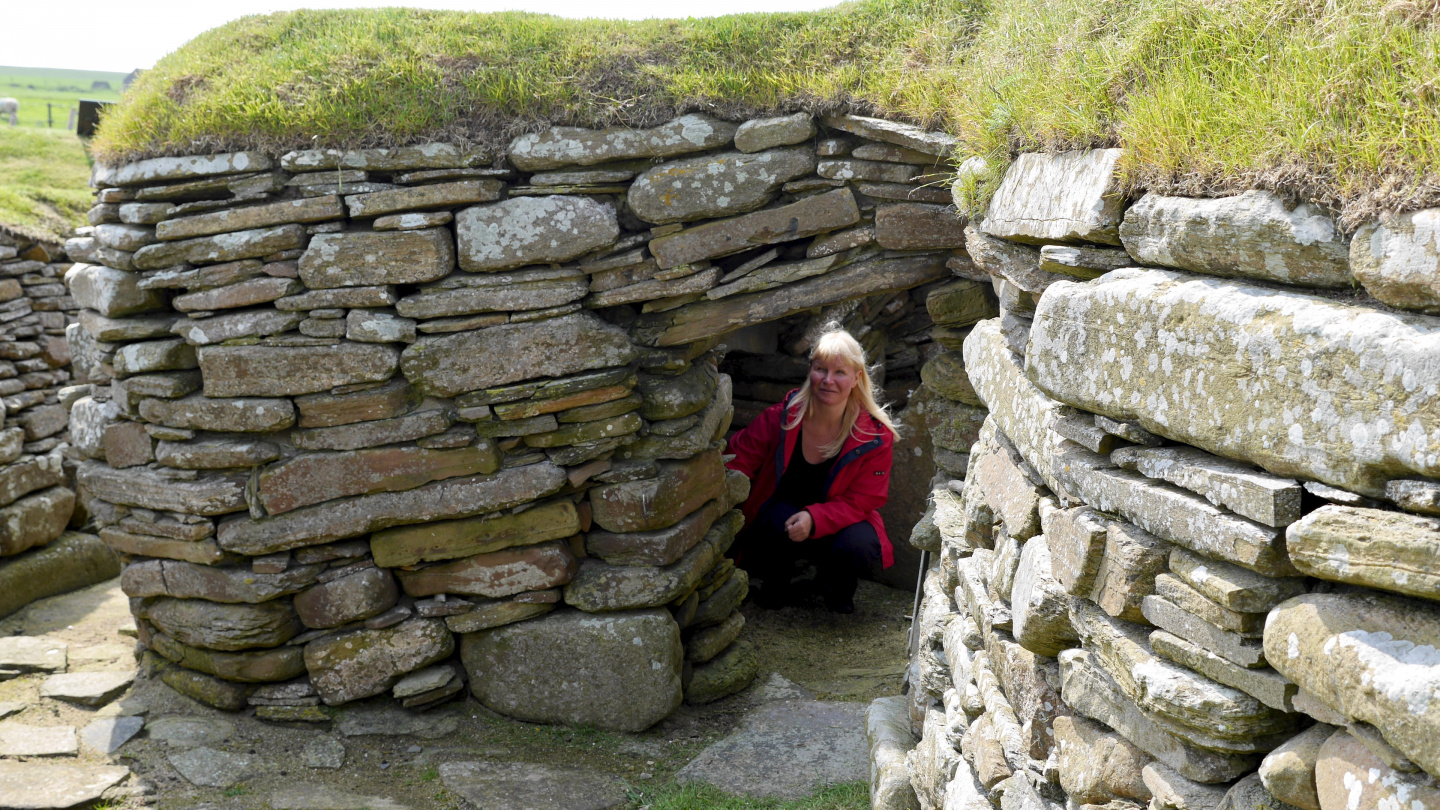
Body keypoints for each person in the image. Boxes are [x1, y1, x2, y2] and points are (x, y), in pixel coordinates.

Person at [725, 326, 899, 613]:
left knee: (860, 543)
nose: (828, 380)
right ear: (810, 371)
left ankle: (835, 590)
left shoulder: (875, 437)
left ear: (857, 378)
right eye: (820, 369)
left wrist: (815, 518)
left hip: (837, 524)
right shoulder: (779, 419)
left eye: (840, 372)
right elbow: (736, 461)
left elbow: (865, 500)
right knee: (776, 515)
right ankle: (775, 584)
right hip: (780, 525)